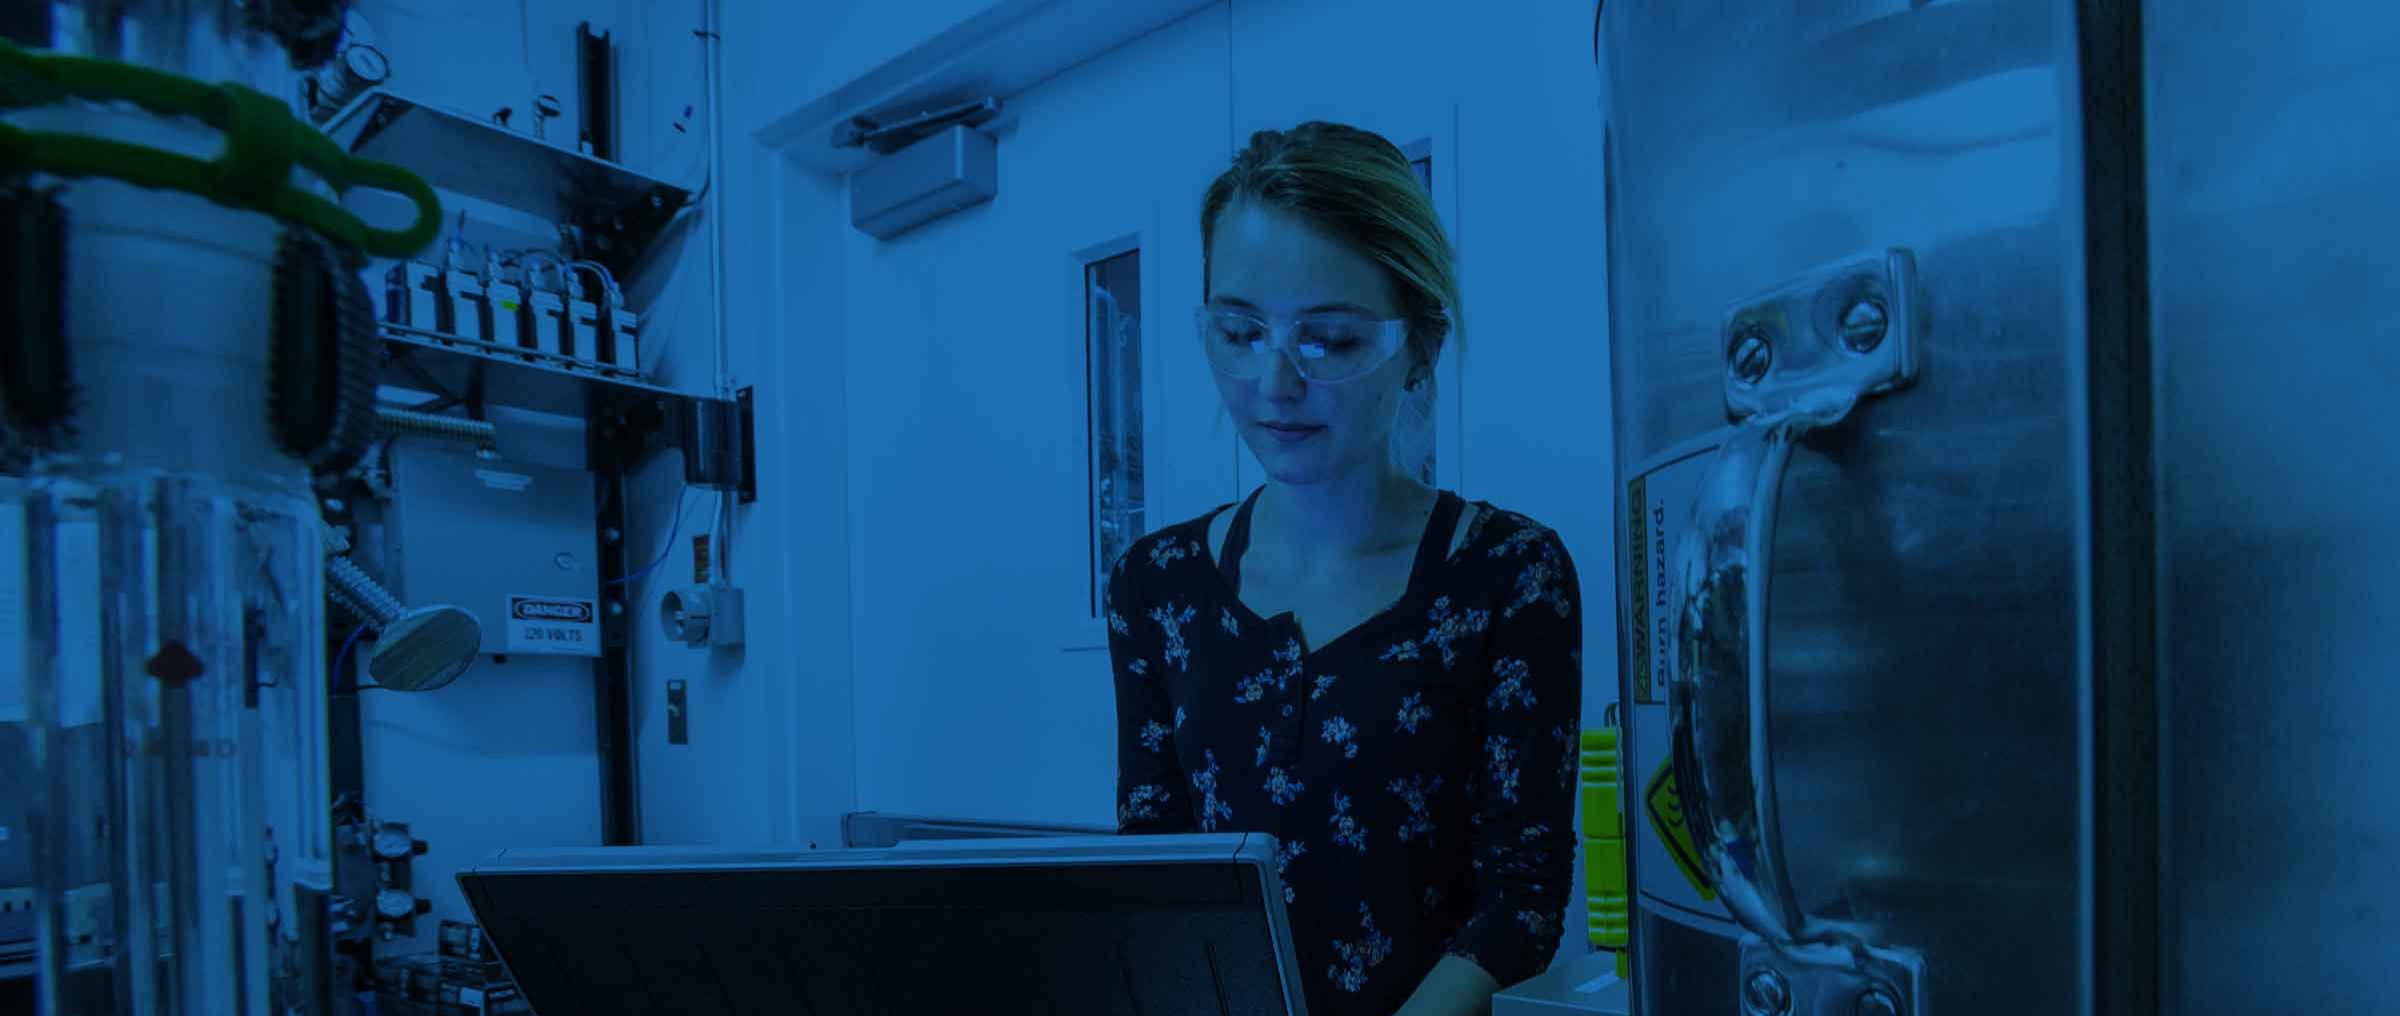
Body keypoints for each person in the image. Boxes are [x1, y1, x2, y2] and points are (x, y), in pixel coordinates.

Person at [1105, 121, 1584, 1016]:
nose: (1274, 384)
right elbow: (1155, 874)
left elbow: (1522, 902)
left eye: (1330, 339)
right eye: (1239, 331)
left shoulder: (1510, 573)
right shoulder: (1154, 584)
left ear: (1422, 345)